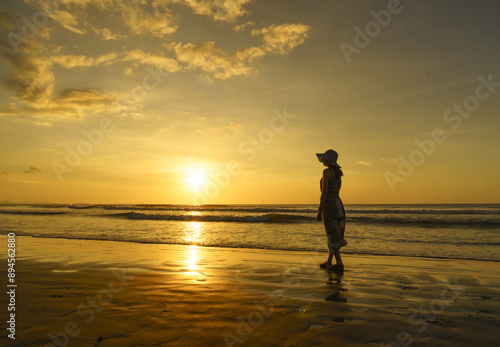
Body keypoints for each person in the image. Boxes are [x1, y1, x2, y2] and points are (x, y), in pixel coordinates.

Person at [316, 149, 347, 271]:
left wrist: (320, 210)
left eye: (324, 158)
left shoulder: (326, 172)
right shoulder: (338, 174)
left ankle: (339, 263)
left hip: (329, 205)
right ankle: (329, 261)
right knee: (335, 233)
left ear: (328, 160)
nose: (323, 160)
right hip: (338, 205)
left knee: (331, 234)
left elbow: (324, 192)